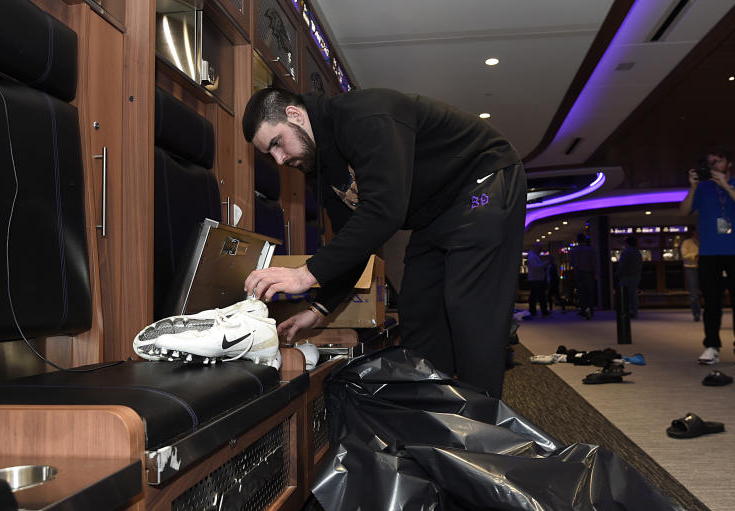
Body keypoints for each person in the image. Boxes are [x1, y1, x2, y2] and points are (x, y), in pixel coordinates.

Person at [240, 87, 525, 398]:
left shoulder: (364, 115)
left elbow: (383, 211)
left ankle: (483, 430)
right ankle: (440, 421)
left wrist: (304, 274)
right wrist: (319, 310)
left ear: (294, 115)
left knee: (471, 311)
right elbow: (355, 238)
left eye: (277, 144)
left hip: (482, 180)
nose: (280, 160)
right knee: (418, 312)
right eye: (270, 155)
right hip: (435, 211)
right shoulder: (319, 166)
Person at [678, 147, 735, 366]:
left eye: (718, 161)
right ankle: (711, 346)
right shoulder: (702, 190)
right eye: (710, 162)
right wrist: (693, 187)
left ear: (729, 164)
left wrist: (726, 186)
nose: (713, 166)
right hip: (709, 254)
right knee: (712, 303)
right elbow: (684, 212)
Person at [569, 232, 596, 319]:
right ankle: (590, 309)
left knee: (581, 292)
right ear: (585, 240)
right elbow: (594, 263)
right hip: (589, 272)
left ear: (577, 240)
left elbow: (571, 263)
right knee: (589, 292)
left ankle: (583, 310)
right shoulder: (590, 250)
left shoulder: (573, 251)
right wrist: (595, 273)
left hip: (578, 272)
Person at [616, 235, 642, 318]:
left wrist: (618, 273)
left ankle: (627, 310)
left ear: (627, 243)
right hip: (636, 275)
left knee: (625, 294)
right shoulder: (637, 252)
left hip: (626, 276)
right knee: (633, 293)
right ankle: (634, 310)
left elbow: (622, 265)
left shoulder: (626, 252)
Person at [679, 226, 701, 321]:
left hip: (703, 267)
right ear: (693, 232)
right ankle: (696, 313)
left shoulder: (704, 241)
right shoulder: (687, 242)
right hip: (691, 268)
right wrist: (695, 255)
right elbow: (684, 255)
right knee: (693, 292)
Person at [526, 242, 549, 317]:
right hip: (535, 279)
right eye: (540, 248)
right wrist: (545, 263)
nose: (541, 250)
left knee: (538, 296)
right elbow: (536, 267)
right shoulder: (532, 256)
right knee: (536, 296)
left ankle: (539, 311)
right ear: (536, 248)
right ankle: (534, 311)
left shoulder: (535, 256)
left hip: (537, 279)